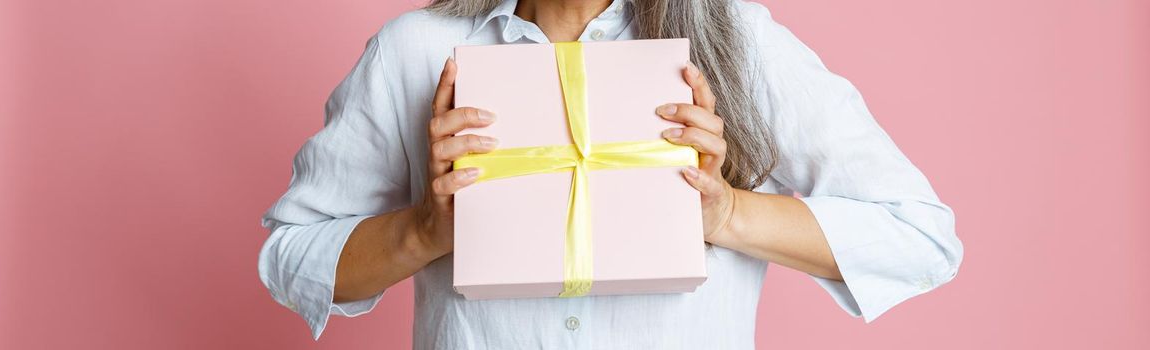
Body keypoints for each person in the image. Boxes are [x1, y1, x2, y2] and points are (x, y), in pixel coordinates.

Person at [258, 0, 964, 348]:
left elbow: (918, 238)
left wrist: (723, 216)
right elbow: (289, 259)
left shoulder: (733, 41)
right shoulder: (418, 52)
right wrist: (422, 230)